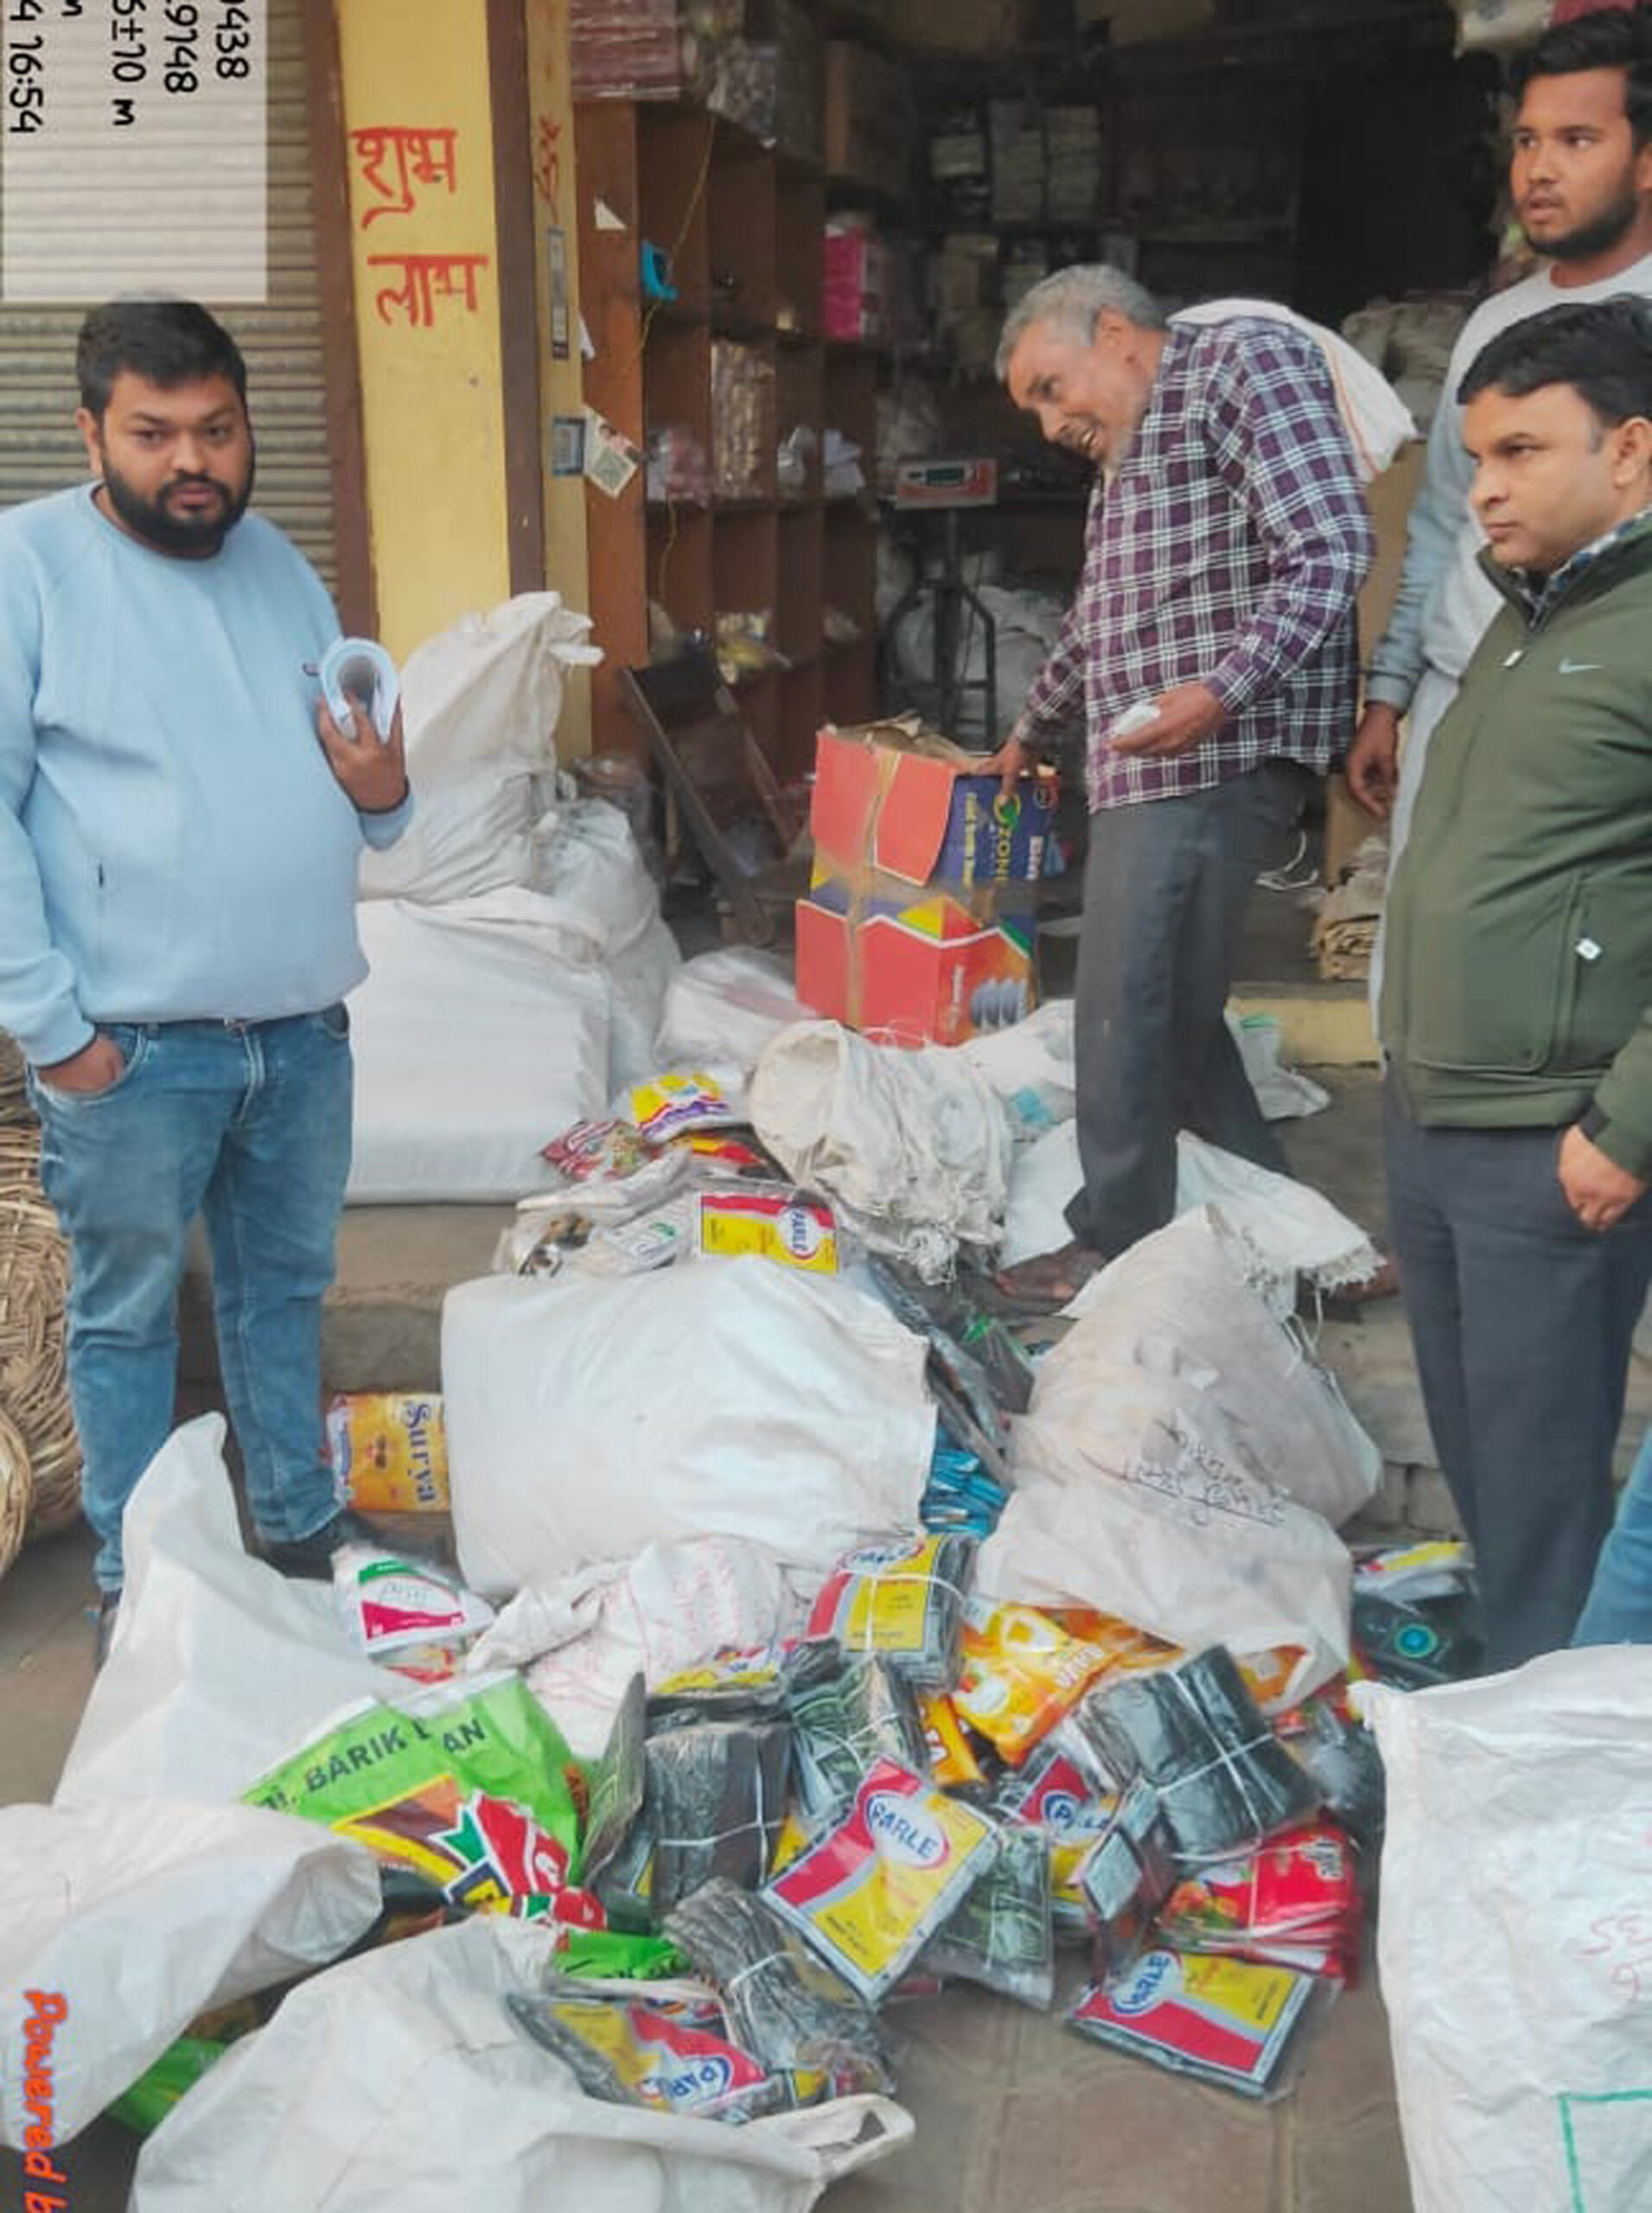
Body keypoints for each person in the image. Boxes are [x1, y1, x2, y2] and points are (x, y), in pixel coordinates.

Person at [0, 298, 412, 1660]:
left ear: (246, 426)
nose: (192, 460)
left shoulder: (279, 565)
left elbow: (360, 785)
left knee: (281, 1290)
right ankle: (145, 1578)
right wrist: (55, 1033)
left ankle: (295, 1524)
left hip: (297, 1031)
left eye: (217, 430)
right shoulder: (27, 567)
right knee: (123, 1319)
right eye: (154, 433)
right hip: (131, 1046)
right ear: (91, 435)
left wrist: (383, 787)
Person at [985, 265, 1374, 1307]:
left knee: (1127, 999)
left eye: (1052, 387)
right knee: (1180, 1018)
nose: (1052, 422)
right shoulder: (1125, 451)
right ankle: (1312, 1248)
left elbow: (1331, 550)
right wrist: (1029, 730)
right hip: (1148, 757)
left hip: (1208, 754)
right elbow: (1098, 616)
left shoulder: (1238, 367)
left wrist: (1218, 692)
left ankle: (1113, 1240)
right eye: (1035, 408)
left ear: (1116, 332)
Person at [1381, 295, 1652, 1672]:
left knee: (1541, 1487)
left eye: (1520, 452)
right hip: (1434, 1115)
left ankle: (1550, 1729)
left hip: (1550, 1134)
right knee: (1483, 1457)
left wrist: (1626, 1126)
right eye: (1475, 456)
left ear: (1629, 451)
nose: (1483, 488)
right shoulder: (1523, 614)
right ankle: (1507, 1690)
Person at [1349, 9, 1652, 928]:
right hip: (1461, 687)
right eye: (1526, 141)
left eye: (1576, 140)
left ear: (1646, 160)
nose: (1539, 168)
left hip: (1600, 714)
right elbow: (1444, 520)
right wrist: (1391, 694)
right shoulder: (1493, 321)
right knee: (1423, 953)